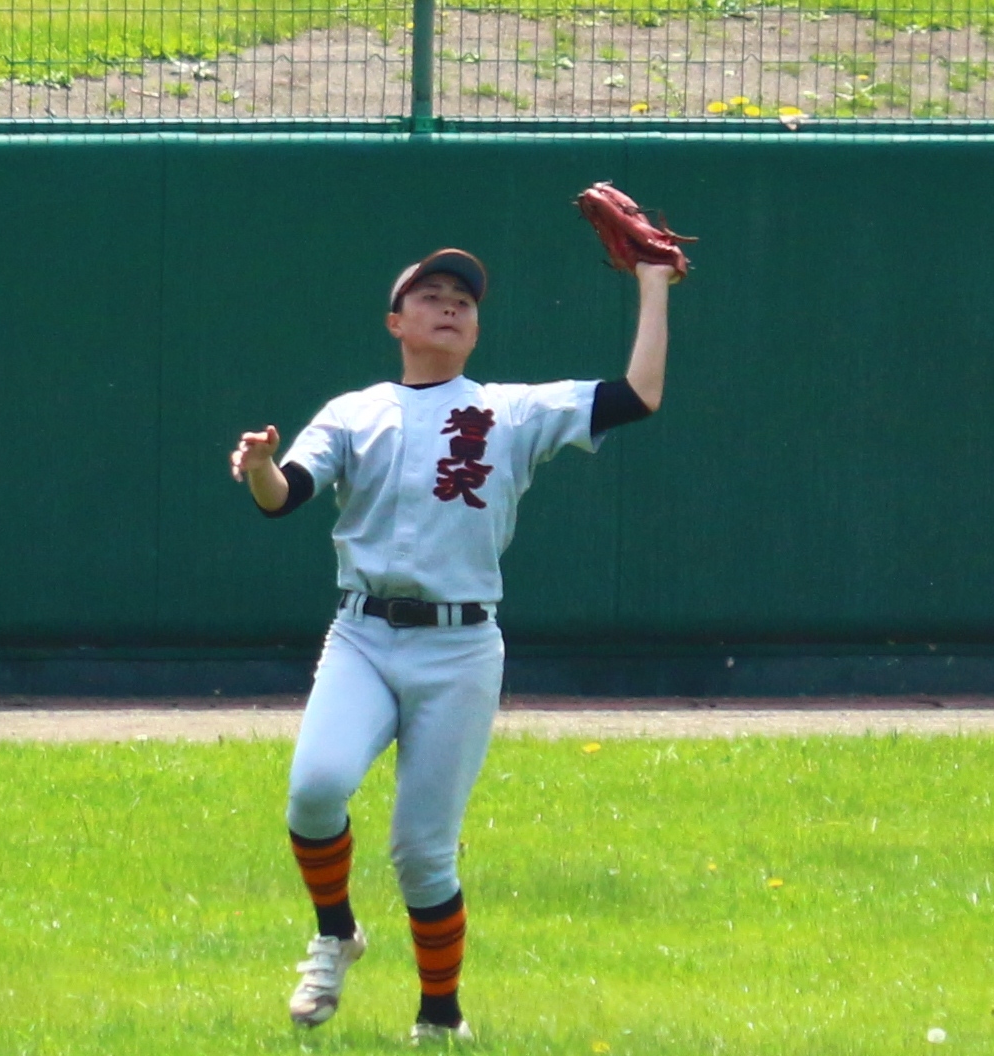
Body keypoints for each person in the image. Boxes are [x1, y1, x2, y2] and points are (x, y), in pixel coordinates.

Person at [228, 248, 675, 1044]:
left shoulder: (512, 410)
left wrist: (651, 285)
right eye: (429, 295)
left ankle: (440, 1019)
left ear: (474, 329)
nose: (449, 306)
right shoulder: (355, 411)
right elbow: (283, 496)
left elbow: (638, 395)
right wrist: (261, 466)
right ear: (395, 323)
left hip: (461, 649)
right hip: (363, 636)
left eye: (462, 300)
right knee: (316, 789)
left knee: (422, 851)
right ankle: (336, 934)